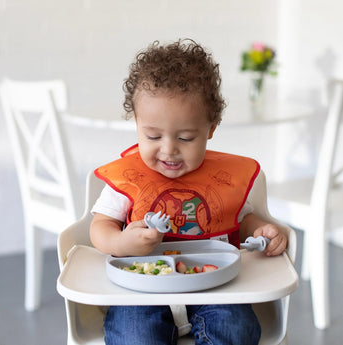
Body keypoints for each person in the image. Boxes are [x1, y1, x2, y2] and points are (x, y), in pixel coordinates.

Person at [90, 39, 287, 345]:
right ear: (137, 125)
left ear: (210, 128)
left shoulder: (223, 179)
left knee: (236, 331)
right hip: (141, 286)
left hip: (215, 286)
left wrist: (261, 230)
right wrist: (121, 241)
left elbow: (241, 219)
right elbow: (99, 228)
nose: (168, 150)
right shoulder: (129, 178)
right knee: (133, 335)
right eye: (152, 135)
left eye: (185, 137)